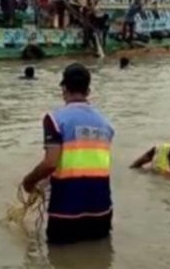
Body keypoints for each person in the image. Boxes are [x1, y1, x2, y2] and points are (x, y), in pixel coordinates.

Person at [21, 63, 114, 244]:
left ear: (64, 88)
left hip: (66, 211)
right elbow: (85, 162)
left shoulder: (55, 119)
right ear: (88, 90)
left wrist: (29, 181)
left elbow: (51, 163)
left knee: (60, 266)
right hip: (102, 210)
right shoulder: (106, 124)